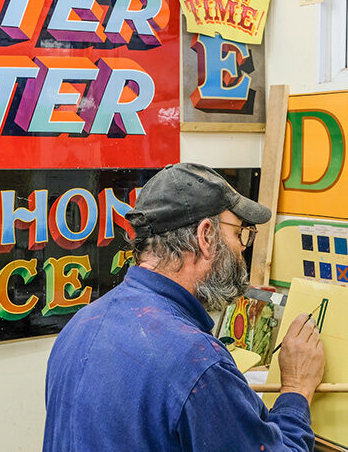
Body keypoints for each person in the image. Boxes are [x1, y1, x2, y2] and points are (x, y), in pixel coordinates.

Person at [43, 163, 325, 452]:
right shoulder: (198, 363)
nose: (243, 249)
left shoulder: (82, 323)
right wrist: (296, 389)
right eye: (240, 233)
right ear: (205, 236)